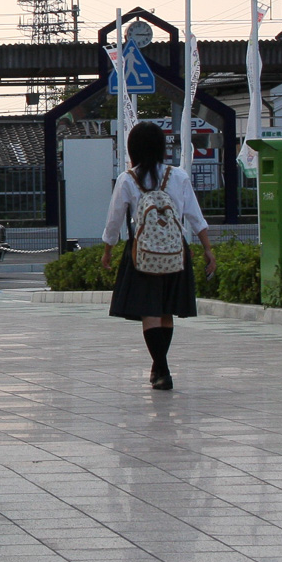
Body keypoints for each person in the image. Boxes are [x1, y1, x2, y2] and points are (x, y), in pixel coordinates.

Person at [99, 122, 216, 390]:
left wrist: (108, 250)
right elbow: (195, 217)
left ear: (133, 148)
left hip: (142, 254)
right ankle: (160, 368)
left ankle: (161, 368)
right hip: (176, 253)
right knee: (166, 311)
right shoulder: (179, 176)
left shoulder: (128, 179)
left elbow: (114, 219)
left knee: (149, 310)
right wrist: (208, 249)